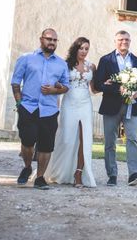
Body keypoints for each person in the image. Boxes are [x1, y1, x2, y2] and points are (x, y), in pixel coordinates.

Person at [11, 28, 69, 190]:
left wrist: (54, 90)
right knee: (27, 140)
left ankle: (40, 177)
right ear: (41, 39)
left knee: (46, 145)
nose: (52, 42)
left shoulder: (61, 64)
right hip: (28, 107)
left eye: (55, 40)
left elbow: (66, 86)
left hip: (50, 110)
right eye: (49, 39)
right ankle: (27, 166)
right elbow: (16, 82)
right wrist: (19, 104)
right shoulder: (26, 59)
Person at [93, 30, 137, 187]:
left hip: (132, 106)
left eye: (127, 39)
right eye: (121, 39)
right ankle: (112, 174)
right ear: (115, 41)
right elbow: (98, 85)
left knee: (132, 139)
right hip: (111, 106)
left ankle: (134, 173)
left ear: (130, 41)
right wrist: (117, 89)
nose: (124, 42)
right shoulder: (105, 60)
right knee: (110, 141)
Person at [44, 37, 97, 188]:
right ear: (76, 48)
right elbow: (59, 84)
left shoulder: (91, 66)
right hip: (69, 103)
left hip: (85, 104)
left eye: (87, 49)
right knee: (66, 139)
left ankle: (78, 173)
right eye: (81, 48)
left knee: (84, 139)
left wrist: (107, 85)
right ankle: (57, 170)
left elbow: (93, 88)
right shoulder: (65, 65)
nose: (84, 51)